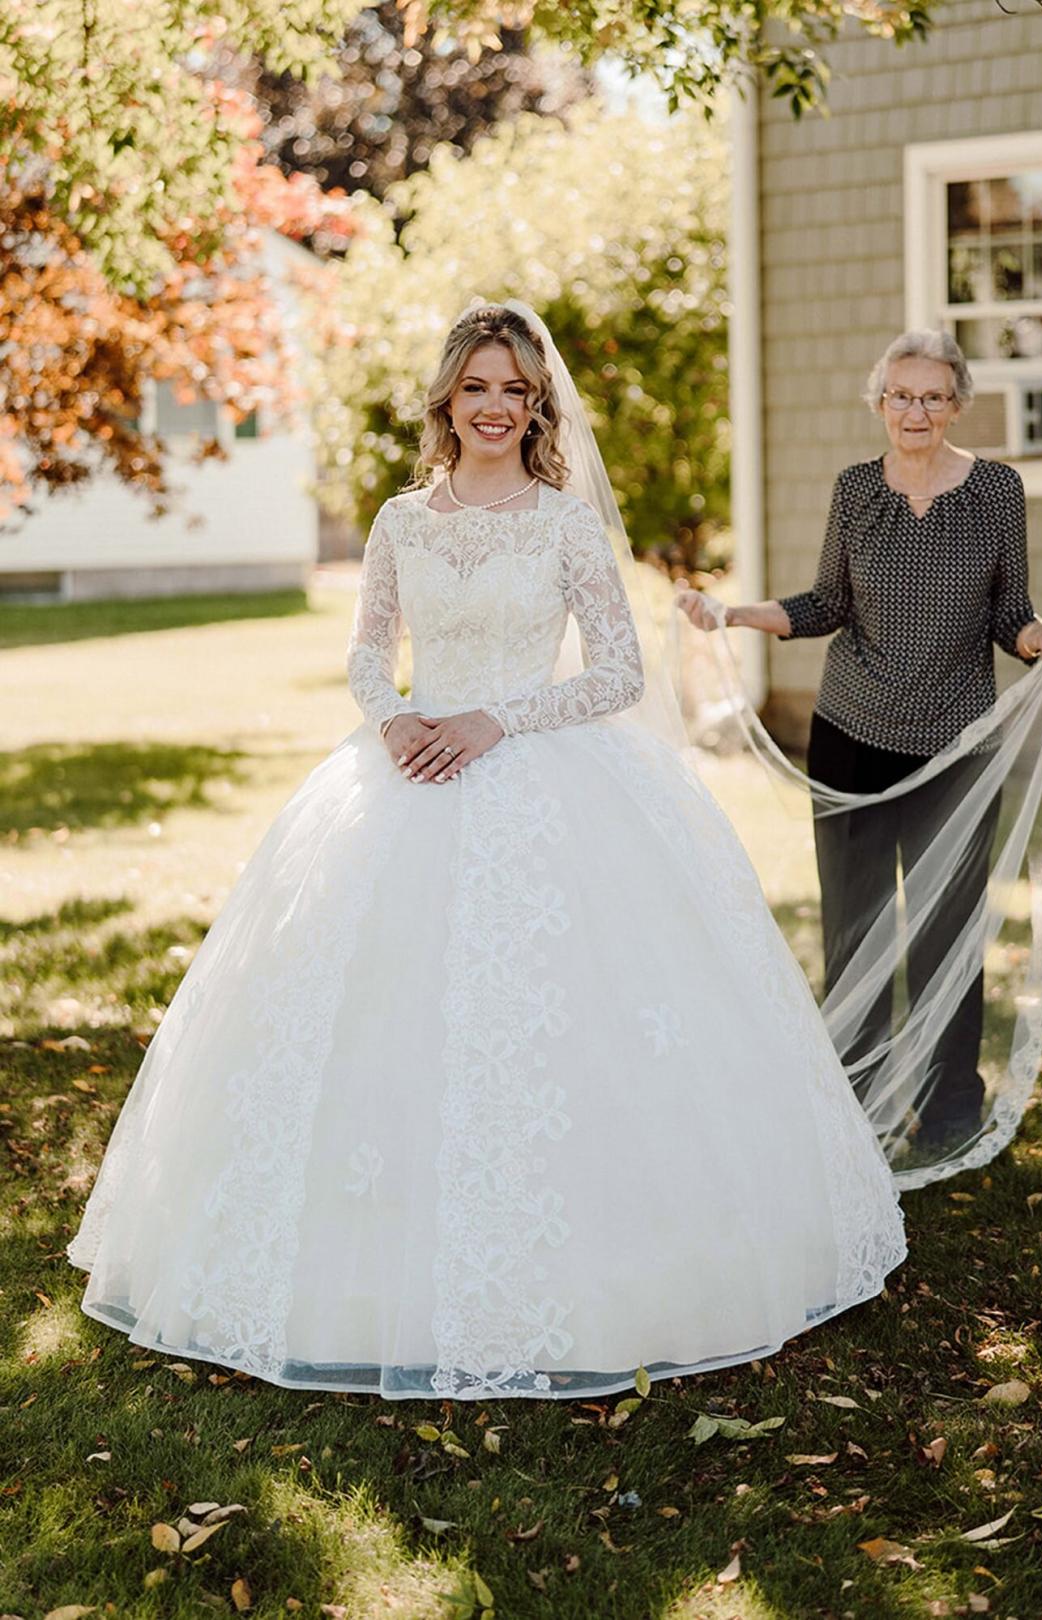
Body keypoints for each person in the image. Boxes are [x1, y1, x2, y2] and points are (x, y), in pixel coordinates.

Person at [65, 300, 906, 1402]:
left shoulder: (565, 524)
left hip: (542, 769)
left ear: (536, 406)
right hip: (406, 774)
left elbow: (616, 675)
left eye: (516, 390)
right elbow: (369, 651)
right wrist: (397, 717)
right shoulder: (401, 521)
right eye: (478, 388)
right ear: (447, 401)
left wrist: (495, 720)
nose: (497, 408)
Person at [677, 328, 1042, 1149]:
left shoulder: (997, 492)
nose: (916, 410)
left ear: (958, 404)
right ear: (879, 403)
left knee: (947, 934)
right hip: (852, 734)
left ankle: (947, 1113)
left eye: (933, 396)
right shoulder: (856, 490)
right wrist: (733, 613)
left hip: (956, 743)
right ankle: (859, 1105)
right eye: (900, 395)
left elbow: (1011, 614)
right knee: (856, 932)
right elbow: (828, 602)